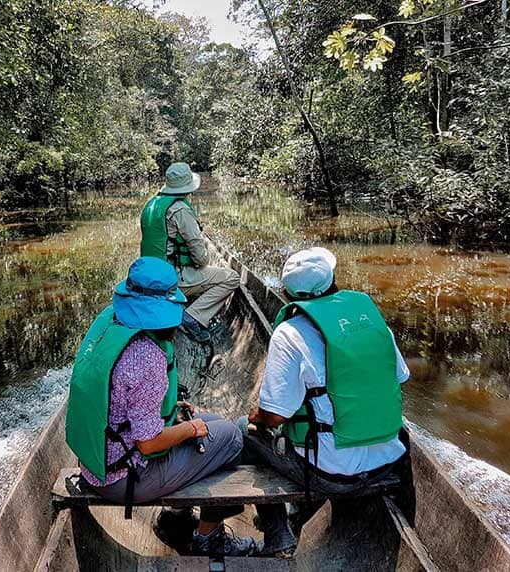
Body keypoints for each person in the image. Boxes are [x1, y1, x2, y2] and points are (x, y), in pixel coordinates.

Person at [65, 257, 257, 557]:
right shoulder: (147, 357)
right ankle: (207, 537)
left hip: (97, 462)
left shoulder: (109, 322)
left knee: (212, 421)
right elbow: (149, 444)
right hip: (124, 478)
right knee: (232, 438)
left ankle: (175, 517)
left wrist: (177, 416)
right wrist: (190, 428)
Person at [242, 247, 414, 557]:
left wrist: (256, 417)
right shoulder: (370, 321)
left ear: (287, 293)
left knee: (246, 433)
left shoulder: (290, 332)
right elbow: (400, 377)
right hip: (388, 461)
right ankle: (297, 516)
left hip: (334, 474)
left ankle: (278, 534)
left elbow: (276, 416)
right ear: (334, 281)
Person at [139, 162, 239, 342]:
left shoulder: (152, 204)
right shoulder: (181, 210)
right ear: (188, 188)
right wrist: (204, 261)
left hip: (146, 277)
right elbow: (201, 259)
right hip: (170, 279)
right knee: (232, 278)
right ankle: (192, 317)